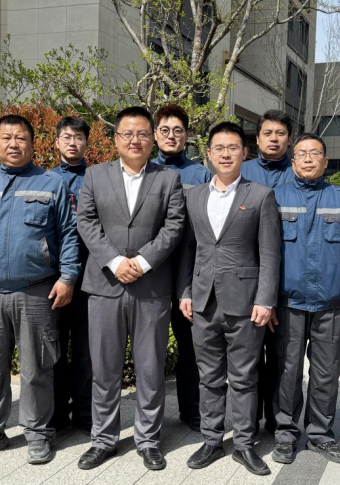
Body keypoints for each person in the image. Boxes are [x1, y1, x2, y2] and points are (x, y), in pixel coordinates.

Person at [0, 115, 80, 465]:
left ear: (33, 144)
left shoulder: (52, 183)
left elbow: (69, 234)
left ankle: (38, 432)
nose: (14, 144)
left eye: (21, 138)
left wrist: (68, 277)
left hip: (35, 291)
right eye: (6, 137)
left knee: (37, 367)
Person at [76, 106, 185, 471]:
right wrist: (114, 261)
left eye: (142, 134)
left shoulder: (168, 179)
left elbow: (174, 226)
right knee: (104, 368)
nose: (135, 140)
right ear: (116, 139)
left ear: (152, 138)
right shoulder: (95, 175)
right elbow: (86, 222)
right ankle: (103, 439)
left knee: (150, 369)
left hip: (151, 287)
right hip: (105, 285)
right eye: (128, 134)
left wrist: (142, 261)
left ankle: (148, 440)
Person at [177, 122, 281, 476]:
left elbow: (270, 254)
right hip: (203, 301)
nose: (225, 154)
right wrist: (185, 292)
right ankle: (211, 440)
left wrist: (265, 300)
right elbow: (187, 249)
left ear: (244, 153)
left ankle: (244, 444)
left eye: (232, 147)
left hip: (246, 302)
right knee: (209, 376)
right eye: (218, 148)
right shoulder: (193, 196)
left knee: (244, 377)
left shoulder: (261, 195)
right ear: (208, 154)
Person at [271, 133, 340, 465]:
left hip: (330, 306)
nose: (309, 159)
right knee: (287, 372)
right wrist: (267, 301)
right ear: (292, 161)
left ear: (326, 162)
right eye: (302, 153)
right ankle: (285, 435)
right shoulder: (276, 197)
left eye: (316, 153)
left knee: (326, 373)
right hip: (288, 305)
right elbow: (265, 253)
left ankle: (320, 435)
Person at [151, 104, 211, 432]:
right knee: (151, 348)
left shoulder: (200, 175)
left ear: (186, 135)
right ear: (155, 134)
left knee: (191, 347)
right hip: (153, 272)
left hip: (190, 273)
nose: (171, 136)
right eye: (165, 130)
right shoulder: (145, 170)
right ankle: (151, 416)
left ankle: (192, 409)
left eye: (177, 130)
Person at [240, 110, 295, 433]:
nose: (274, 139)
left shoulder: (298, 172)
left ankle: (277, 420)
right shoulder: (242, 171)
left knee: (280, 357)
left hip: (285, 279)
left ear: (289, 139)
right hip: (246, 278)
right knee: (247, 357)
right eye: (268, 133)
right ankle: (247, 421)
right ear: (257, 138)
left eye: (280, 133)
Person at [49, 116, 93, 435]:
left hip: (91, 275)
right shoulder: (45, 179)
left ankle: (84, 411)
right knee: (53, 346)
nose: (73, 142)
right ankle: (55, 412)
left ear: (87, 143)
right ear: (56, 142)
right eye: (67, 137)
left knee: (85, 349)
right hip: (53, 276)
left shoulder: (99, 178)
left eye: (78, 137)